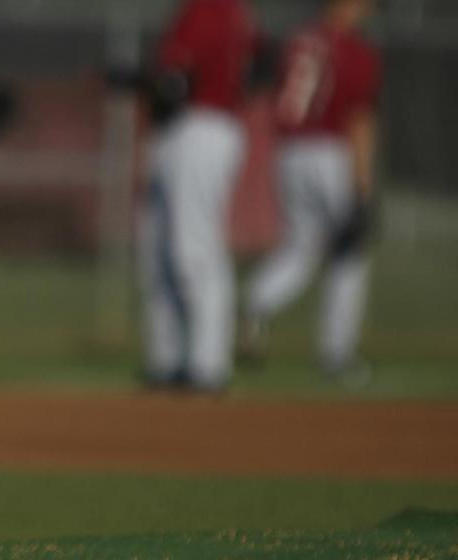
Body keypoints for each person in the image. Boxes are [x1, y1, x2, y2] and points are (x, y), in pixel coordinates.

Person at [243, 0, 379, 386]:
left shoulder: (296, 41)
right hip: (330, 152)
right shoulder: (353, 49)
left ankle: (255, 301)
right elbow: (359, 118)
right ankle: (336, 355)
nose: (367, 12)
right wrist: (363, 190)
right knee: (350, 253)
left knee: (300, 248)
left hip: (287, 154)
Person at [137, 0, 256, 392]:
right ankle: (169, 360)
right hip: (194, 127)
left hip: (202, 126)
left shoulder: (210, 10)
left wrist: (136, 81)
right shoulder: (228, 12)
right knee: (159, 249)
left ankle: (208, 364)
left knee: (195, 249)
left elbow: (173, 81)